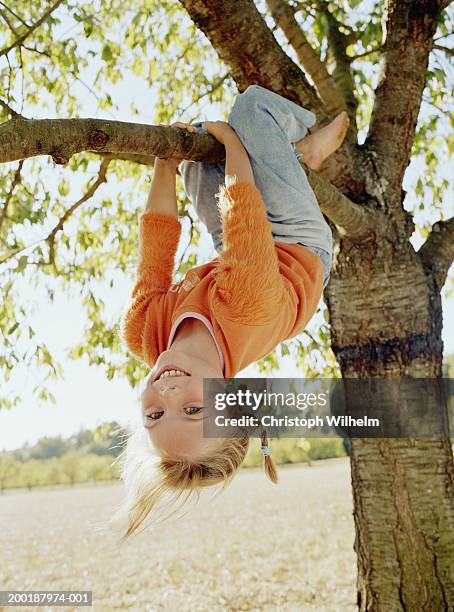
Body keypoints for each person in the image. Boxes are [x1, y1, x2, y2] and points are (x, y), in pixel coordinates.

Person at [117, 85, 349, 538]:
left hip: (234, 258)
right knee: (250, 110)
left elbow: (157, 245)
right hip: (295, 246)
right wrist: (232, 139)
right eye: (193, 408)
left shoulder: (143, 333)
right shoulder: (247, 309)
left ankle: (282, 160)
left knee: (199, 170)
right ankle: (305, 145)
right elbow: (243, 206)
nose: (167, 396)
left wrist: (165, 163)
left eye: (155, 417)